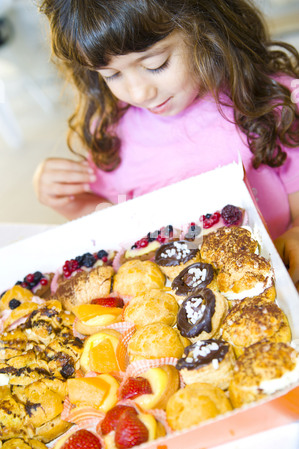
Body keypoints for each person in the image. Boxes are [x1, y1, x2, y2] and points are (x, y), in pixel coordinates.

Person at [33, 0, 299, 290]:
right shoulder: (112, 130)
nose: (139, 92)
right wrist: (67, 199)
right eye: (112, 74)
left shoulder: (268, 103)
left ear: (204, 29)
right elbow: (113, 222)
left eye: (155, 65)